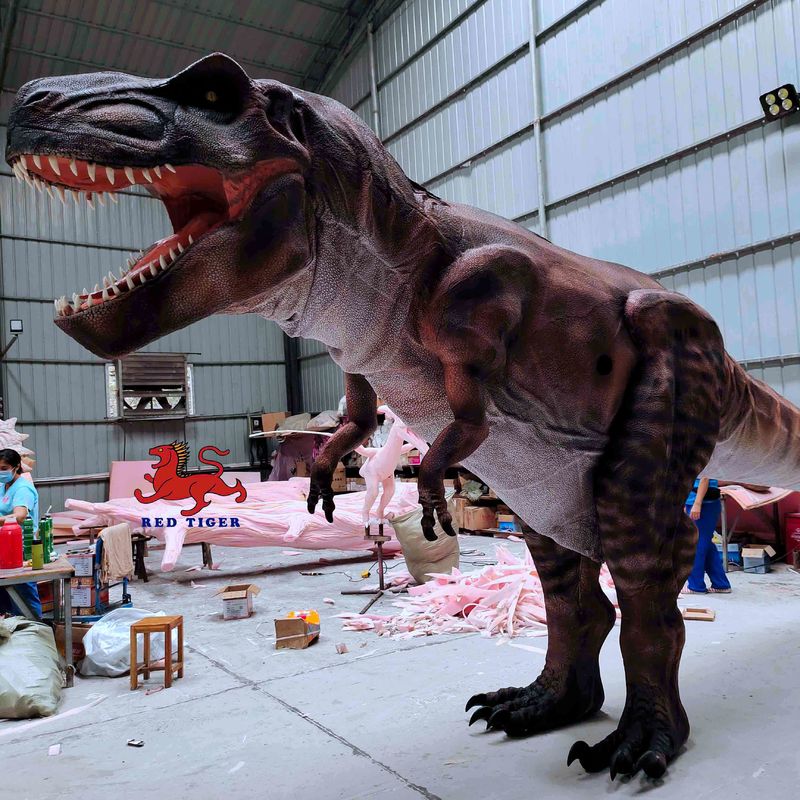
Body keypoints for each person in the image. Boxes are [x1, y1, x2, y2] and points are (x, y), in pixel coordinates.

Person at [0, 448, 42, 617]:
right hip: (5, 547)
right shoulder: (3, 486)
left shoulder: (23, 488)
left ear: (16, 466)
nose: (0, 472)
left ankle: (34, 627)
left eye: (4, 468)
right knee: (5, 595)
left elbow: (20, 516)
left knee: (24, 594)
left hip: (21, 548)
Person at [685, 475, 731, 594]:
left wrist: (697, 503)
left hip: (703, 503)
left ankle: (695, 586)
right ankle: (721, 584)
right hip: (697, 501)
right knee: (706, 545)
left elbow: (705, 477)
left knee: (695, 544)